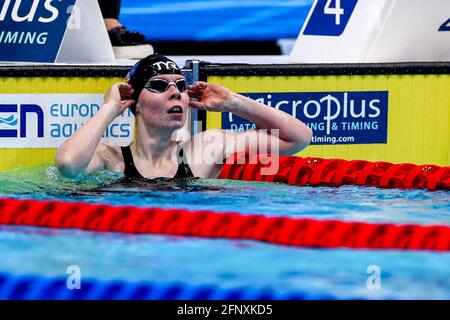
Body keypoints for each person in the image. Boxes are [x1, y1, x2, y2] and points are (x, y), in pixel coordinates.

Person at [55, 54, 313, 179]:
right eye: (158, 85)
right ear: (136, 103)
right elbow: (68, 166)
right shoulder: (110, 159)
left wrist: (235, 103)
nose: (174, 93)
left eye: (180, 86)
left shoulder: (206, 150)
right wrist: (110, 108)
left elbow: (298, 139)